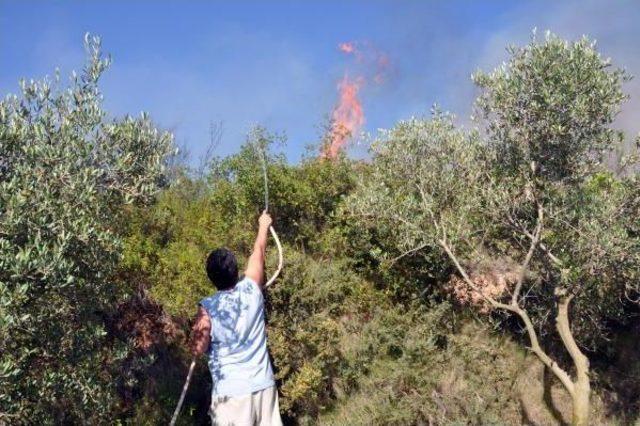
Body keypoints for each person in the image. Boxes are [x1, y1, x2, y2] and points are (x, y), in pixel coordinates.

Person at [190, 211, 283, 426]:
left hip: (231, 396)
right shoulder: (251, 289)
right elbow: (258, 251)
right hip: (263, 386)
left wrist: (198, 328)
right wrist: (263, 225)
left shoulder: (207, 307)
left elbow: (197, 348)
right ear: (235, 270)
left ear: (211, 278)